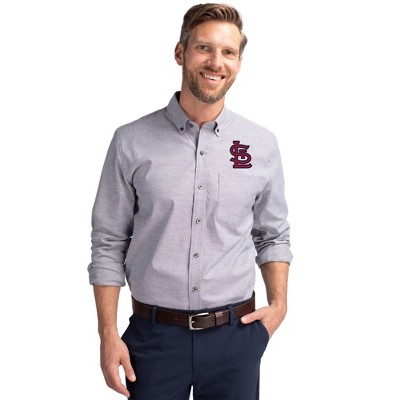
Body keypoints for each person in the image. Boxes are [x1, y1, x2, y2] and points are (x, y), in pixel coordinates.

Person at [88, 3, 292, 399]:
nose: (216, 62)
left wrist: (279, 305)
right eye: (204, 48)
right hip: (152, 340)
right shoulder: (131, 141)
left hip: (236, 337)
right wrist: (108, 335)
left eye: (228, 52)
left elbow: (273, 234)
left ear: (238, 62)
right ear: (180, 52)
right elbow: (108, 242)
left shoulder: (261, 144)